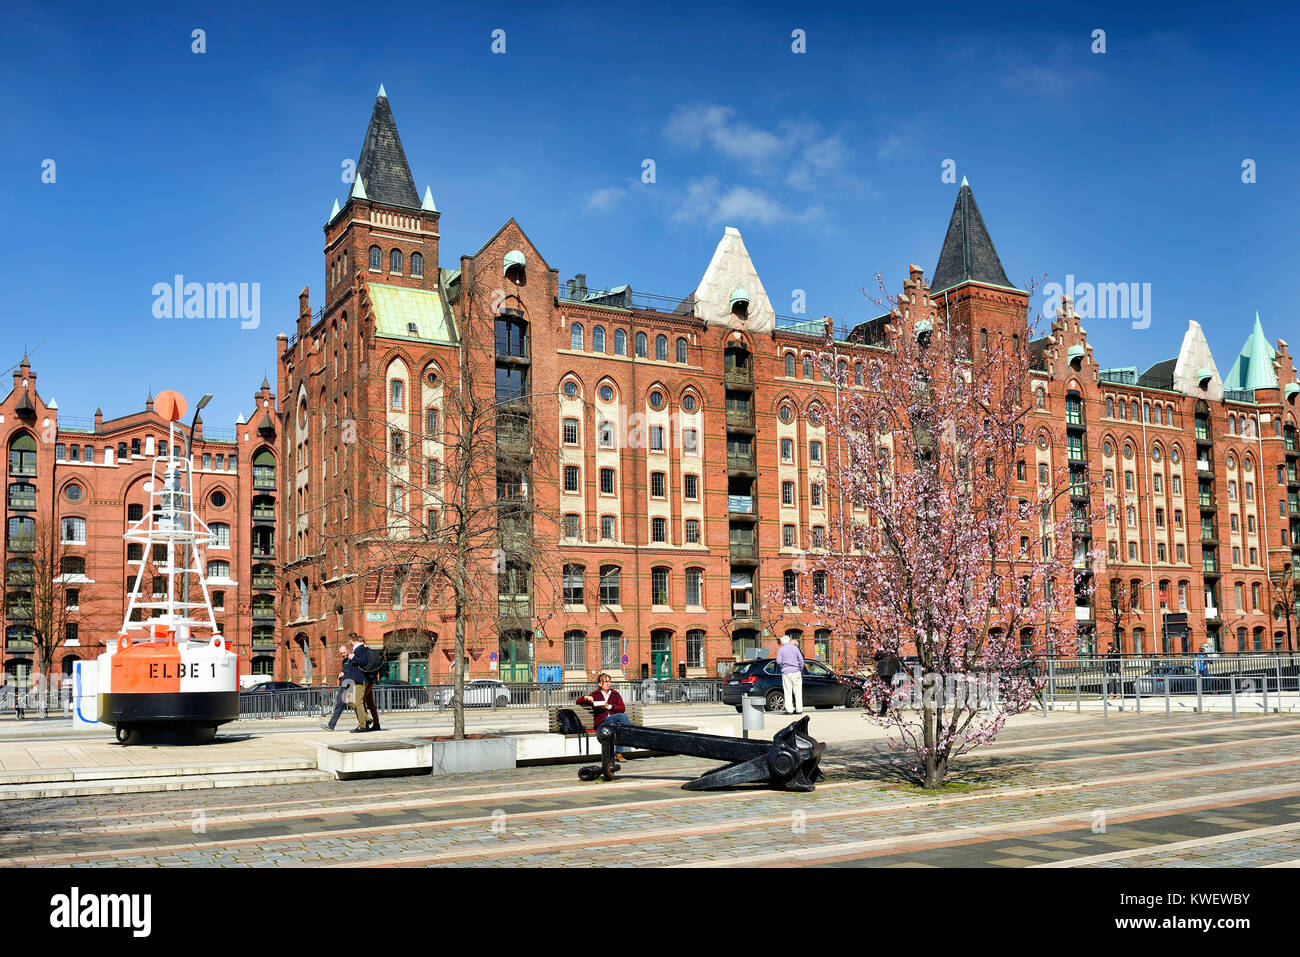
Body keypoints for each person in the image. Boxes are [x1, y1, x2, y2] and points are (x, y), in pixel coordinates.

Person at [576, 673, 629, 762]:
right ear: (600, 684)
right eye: (605, 682)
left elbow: (622, 708)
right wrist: (586, 697)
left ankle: (618, 753)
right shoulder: (595, 694)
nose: (608, 683)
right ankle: (630, 733)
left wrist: (609, 707)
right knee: (622, 717)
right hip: (602, 723)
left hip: (614, 722)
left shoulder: (615, 694)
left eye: (609, 681)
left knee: (620, 727)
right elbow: (578, 701)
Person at [320, 638, 369, 733]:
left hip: (348, 685)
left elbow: (352, 671)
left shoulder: (351, 659)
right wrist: (340, 674)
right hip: (344, 684)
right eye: (341, 653)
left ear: (348, 651)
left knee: (346, 704)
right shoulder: (345, 661)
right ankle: (366, 719)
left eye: (343, 652)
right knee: (348, 704)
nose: (342, 655)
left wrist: (344, 673)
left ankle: (331, 725)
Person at [777, 634, 805, 715]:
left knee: (787, 691)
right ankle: (799, 709)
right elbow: (801, 659)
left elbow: (778, 661)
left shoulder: (781, 649)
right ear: (789, 641)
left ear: (782, 642)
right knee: (798, 691)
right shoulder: (795, 648)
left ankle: (789, 710)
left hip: (786, 672)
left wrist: (783, 663)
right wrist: (800, 668)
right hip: (796, 671)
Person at [873, 649, 902, 716]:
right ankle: (895, 709)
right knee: (891, 692)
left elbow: (875, 658)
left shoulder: (881, 650)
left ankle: (884, 710)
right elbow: (898, 662)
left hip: (883, 673)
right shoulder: (893, 650)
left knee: (885, 693)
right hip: (891, 673)